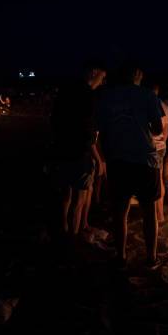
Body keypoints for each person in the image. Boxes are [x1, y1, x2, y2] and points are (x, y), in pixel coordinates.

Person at [96, 63, 163, 268]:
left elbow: (100, 128)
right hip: (144, 159)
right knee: (149, 212)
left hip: (118, 160)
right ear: (138, 75)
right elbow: (158, 129)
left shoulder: (107, 96)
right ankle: (151, 257)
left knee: (120, 211)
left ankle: (121, 255)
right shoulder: (147, 95)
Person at [50, 63, 106, 236]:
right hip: (80, 154)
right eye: (102, 77)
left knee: (66, 193)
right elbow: (87, 133)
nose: (103, 82)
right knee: (80, 198)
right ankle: (73, 236)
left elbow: (55, 121)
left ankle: (63, 227)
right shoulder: (88, 96)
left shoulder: (68, 92)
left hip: (63, 150)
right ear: (93, 73)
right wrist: (98, 158)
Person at [152, 84, 168, 222]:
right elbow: (166, 131)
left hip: (152, 148)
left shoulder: (148, 104)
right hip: (161, 147)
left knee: (155, 181)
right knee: (159, 180)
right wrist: (161, 143)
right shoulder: (165, 106)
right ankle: (160, 215)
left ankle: (158, 215)